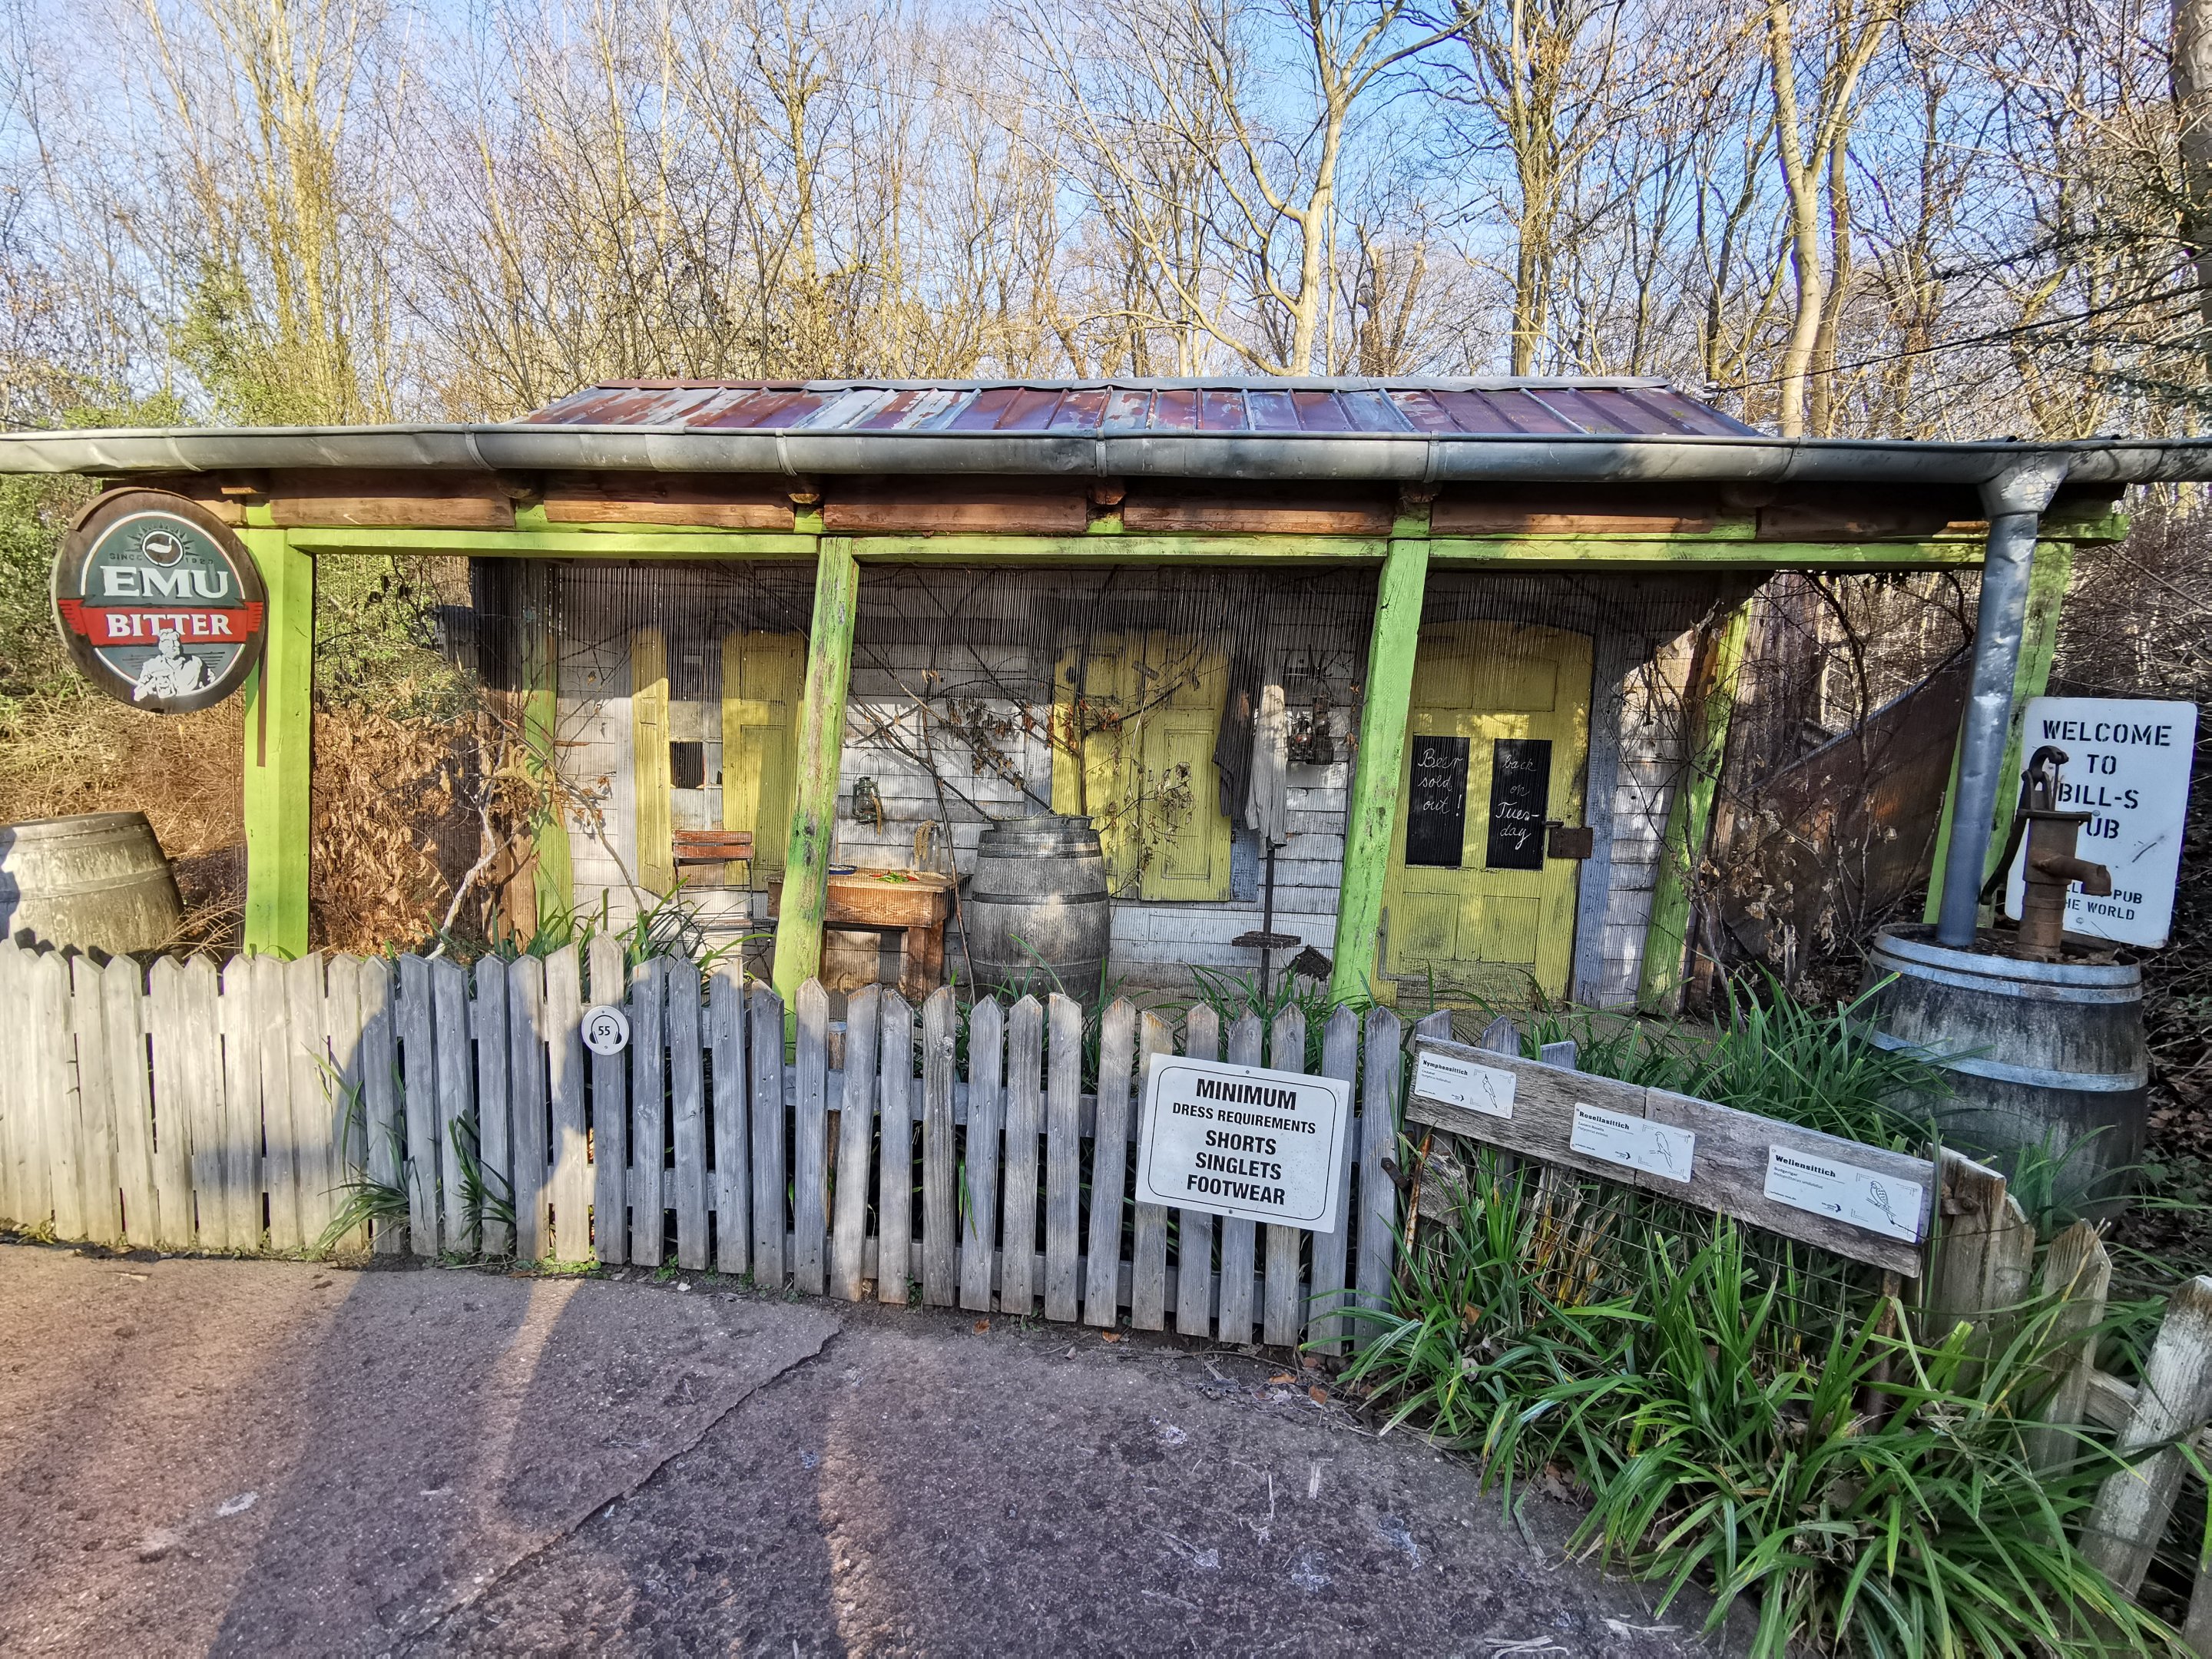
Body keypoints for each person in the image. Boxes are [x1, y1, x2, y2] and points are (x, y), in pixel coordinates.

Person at [132, 628, 208, 701]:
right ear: (161, 646)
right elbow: (138, 695)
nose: (176, 644)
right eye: (169, 641)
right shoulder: (151, 665)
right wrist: (150, 687)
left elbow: (211, 684)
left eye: (177, 641)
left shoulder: (195, 662)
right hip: (163, 707)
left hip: (192, 704)